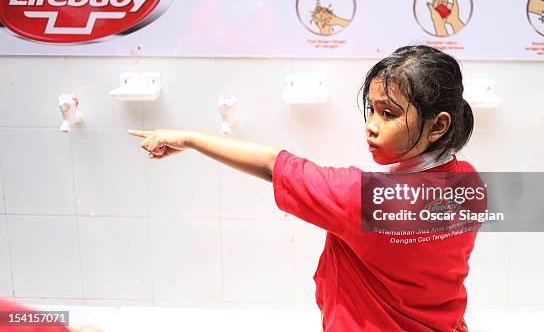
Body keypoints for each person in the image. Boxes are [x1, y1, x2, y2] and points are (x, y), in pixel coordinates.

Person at [128, 45, 478, 331]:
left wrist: (189, 138)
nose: (370, 126)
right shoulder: (469, 182)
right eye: (371, 109)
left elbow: (272, 164)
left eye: (388, 114)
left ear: (437, 126)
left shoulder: (364, 200)